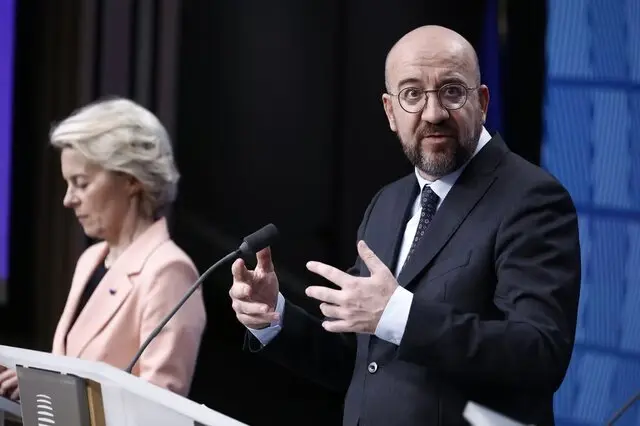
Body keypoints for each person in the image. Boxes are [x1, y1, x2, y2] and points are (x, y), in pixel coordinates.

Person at [228, 25, 581, 426]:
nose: (433, 113)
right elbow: (363, 360)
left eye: (452, 91)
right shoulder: (388, 202)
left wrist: (399, 314)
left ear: (482, 102)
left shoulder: (531, 199)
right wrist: (273, 317)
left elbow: (538, 353)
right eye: (412, 94)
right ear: (390, 112)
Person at [0, 97, 206, 399]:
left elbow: (158, 407)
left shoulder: (168, 271)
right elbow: (70, 371)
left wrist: (51, 390)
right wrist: (34, 382)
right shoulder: (91, 260)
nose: (68, 200)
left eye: (81, 183)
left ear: (131, 179)